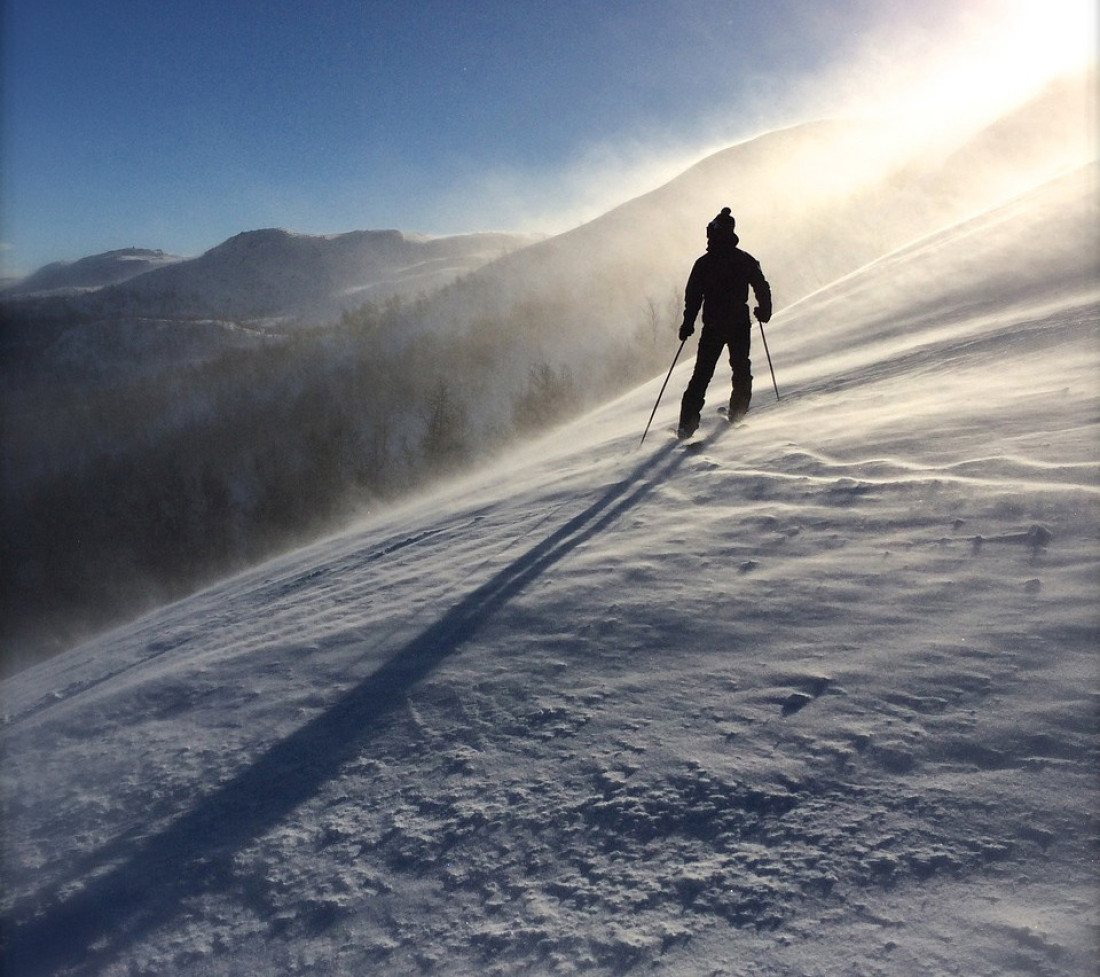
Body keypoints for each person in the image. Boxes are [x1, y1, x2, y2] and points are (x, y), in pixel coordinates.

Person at [677, 207, 772, 438]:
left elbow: (693, 296)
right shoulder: (745, 259)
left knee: (702, 374)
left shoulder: (704, 263)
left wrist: (688, 323)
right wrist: (764, 310)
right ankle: (737, 413)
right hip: (739, 323)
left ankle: (687, 425)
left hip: (713, 326)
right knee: (741, 368)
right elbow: (761, 285)